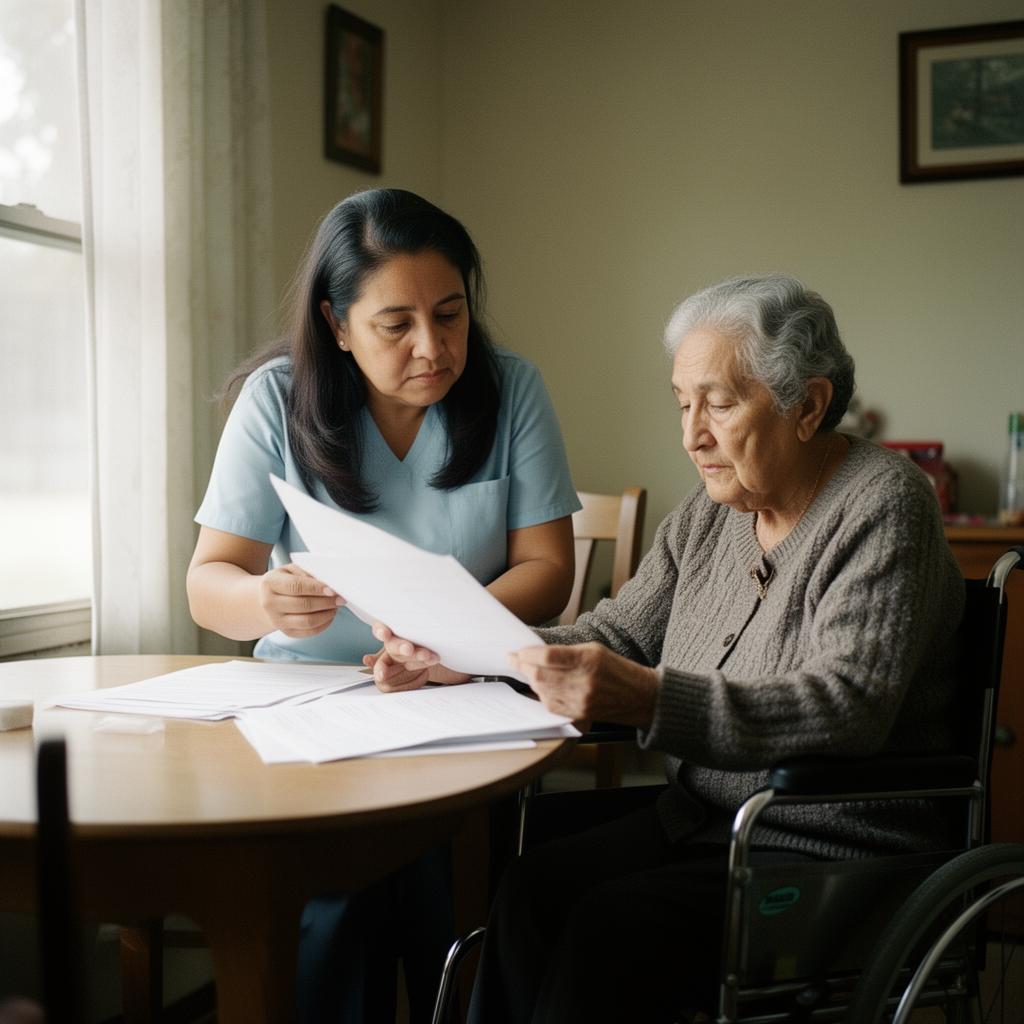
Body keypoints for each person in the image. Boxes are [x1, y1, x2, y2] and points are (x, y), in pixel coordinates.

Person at [372, 274, 966, 1023]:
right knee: (528, 888)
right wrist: (472, 653)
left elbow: (847, 706)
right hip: (704, 821)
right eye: (683, 403)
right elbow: (615, 635)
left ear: (808, 406)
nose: (692, 435)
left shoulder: (885, 503)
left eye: (719, 402)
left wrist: (648, 696)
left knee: (609, 928)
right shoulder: (712, 511)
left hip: (830, 847)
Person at [186, 188, 580, 1023]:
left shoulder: (512, 390)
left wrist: (442, 647)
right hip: (309, 706)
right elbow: (208, 580)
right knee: (335, 896)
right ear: (336, 323)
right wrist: (264, 599)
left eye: (451, 314)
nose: (433, 348)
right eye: (395, 324)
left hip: (459, 696)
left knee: (439, 883)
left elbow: (547, 570)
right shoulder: (275, 399)